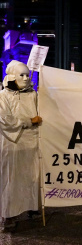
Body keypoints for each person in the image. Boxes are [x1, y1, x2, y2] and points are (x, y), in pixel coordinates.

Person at [0, 60, 42, 231]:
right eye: (21, 75)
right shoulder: (3, 96)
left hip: (32, 143)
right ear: (12, 77)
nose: (25, 78)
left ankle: (32, 207)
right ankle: (9, 214)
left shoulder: (33, 94)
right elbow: (4, 120)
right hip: (12, 144)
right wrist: (28, 121)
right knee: (12, 179)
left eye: (27, 75)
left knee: (32, 176)